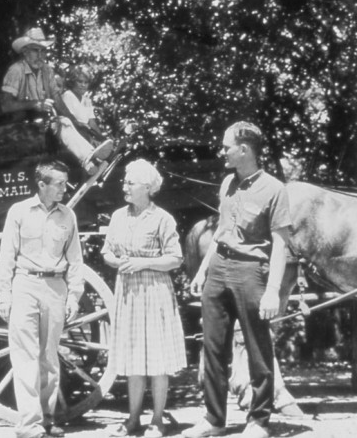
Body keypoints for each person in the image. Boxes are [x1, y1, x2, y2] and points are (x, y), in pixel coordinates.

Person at [182, 122, 291, 438]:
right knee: (214, 348)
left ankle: (258, 421)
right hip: (218, 270)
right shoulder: (227, 183)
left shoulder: (274, 189)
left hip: (251, 272)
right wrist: (203, 270)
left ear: (244, 149)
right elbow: (221, 231)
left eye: (226, 145)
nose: (222, 151)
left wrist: (272, 290)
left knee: (258, 350)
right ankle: (214, 420)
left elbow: (281, 243)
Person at [0, 159, 84, 438]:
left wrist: (74, 297)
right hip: (25, 285)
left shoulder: (68, 215)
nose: (64, 189)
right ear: (42, 185)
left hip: (56, 288)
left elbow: (76, 259)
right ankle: (30, 426)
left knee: (49, 357)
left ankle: (48, 418)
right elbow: (6, 256)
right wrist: (4, 296)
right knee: (25, 357)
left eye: (65, 183)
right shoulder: (18, 212)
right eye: (58, 184)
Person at [102, 159, 187, 438]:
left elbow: (175, 259)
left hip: (154, 292)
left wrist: (142, 264)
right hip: (127, 293)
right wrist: (117, 262)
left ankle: (158, 420)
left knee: (157, 360)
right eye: (124, 181)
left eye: (130, 182)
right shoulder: (117, 217)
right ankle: (133, 419)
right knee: (133, 358)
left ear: (148, 188)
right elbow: (107, 252)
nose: (123, 185)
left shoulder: (163, 219)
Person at [1, 27, 114, 176]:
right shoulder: (16, 71)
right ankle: (89, 160)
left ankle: (94, 161)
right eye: (36, 51)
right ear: (25, 52)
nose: (40, 55)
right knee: (63, 123)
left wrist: (76, 122)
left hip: (43, 123)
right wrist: (35, 104)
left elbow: (57, 101)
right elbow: (5, 105)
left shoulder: (47, 70)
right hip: (21, 124)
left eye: (43, 51)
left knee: (72, 123)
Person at [62, 65, 104, 145]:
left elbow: (92, 123)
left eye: (86, 82)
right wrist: (90, 139)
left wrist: (102, 139)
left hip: (86, 136)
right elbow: (72, 123)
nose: (83, 85)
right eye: (80, 81)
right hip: (73, 136)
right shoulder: (68, 95)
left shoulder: (87, 100)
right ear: (73, 81)